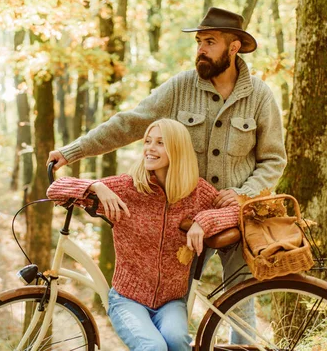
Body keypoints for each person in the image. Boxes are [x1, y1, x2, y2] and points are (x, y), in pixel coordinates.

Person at [47, 7, 286, 343]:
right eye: (199, 41)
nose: (201, 49)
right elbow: (129, 123)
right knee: (177, 308)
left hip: (235, 217)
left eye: (210, 42)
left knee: (240, 303)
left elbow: (274, 160)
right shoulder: (181, 87)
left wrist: (245, 193)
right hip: (183, 218)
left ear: (233, 48)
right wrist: (73, 151)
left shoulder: (260, 96)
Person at [47, 119, 240, 351]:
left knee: (178, 342)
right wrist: (96, 186)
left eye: (160, 143)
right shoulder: (128, 187)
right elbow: (55, 190)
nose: (150, 147)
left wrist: (203, 221)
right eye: (148, 141)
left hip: (171, 301)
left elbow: (238, 211)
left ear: (177, 149)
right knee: (153, 347)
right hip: (127, 299)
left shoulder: (196, 191)